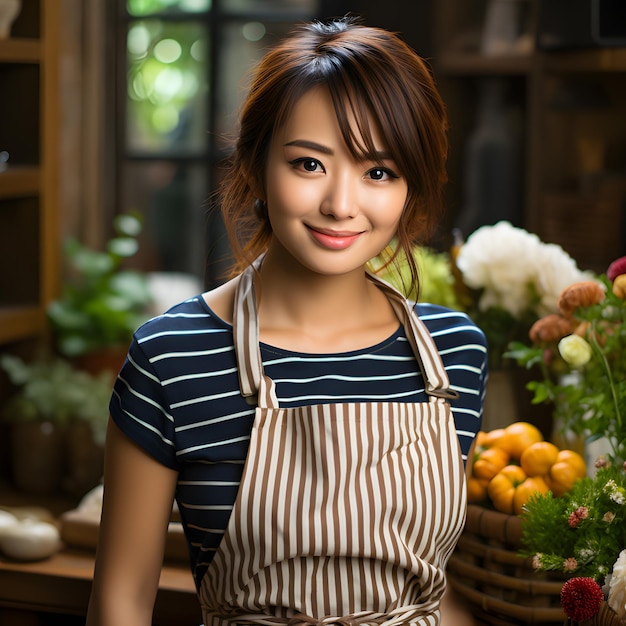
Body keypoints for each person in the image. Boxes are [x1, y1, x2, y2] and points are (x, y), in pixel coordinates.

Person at [86, 16, 487, 626]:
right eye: (309, 164)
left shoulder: (453, 353)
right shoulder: (173, 358)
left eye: (379, 172)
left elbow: (435, 587)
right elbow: (120, 604)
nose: (341, 205)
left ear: (410, 188)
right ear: (255, 163)